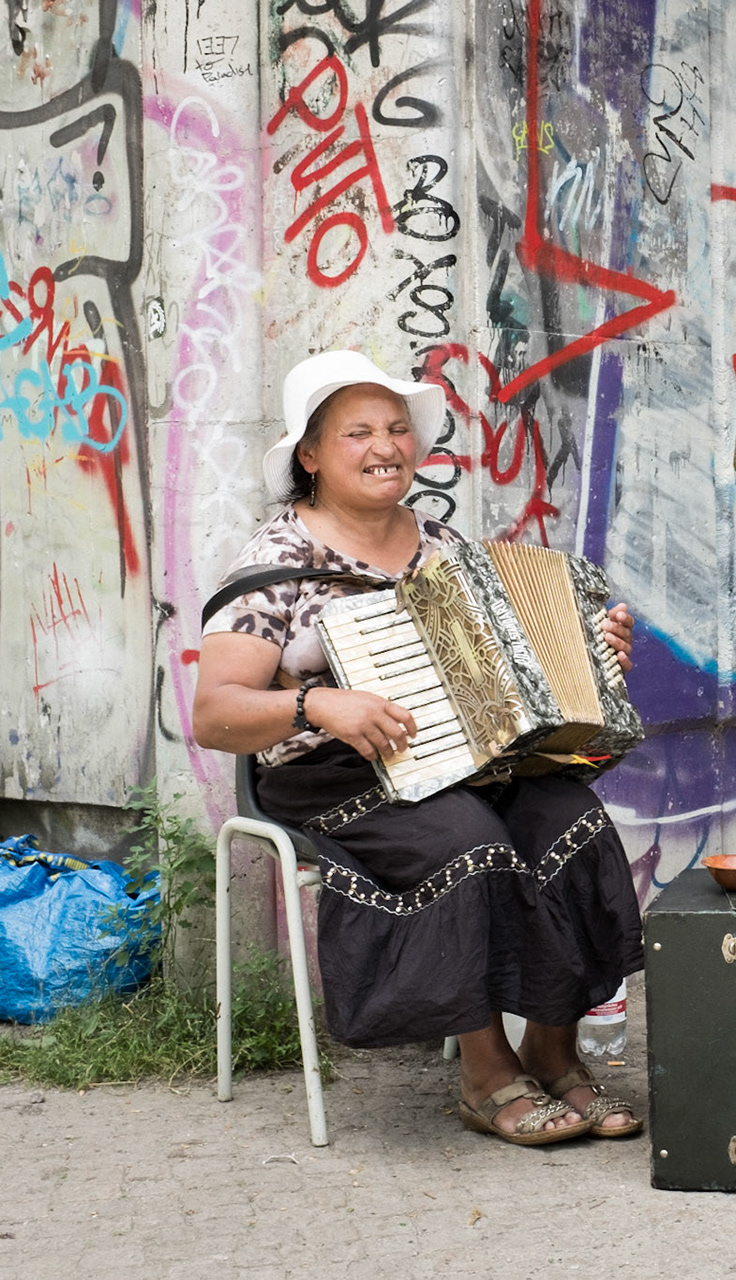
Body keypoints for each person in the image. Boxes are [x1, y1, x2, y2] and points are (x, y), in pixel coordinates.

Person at [193, 350, 648, 1146]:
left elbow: (514, 688)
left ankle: (552, 1048)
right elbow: (215, 713)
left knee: (571, 819)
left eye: (398, 428)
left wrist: (595, 654)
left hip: (462, 756)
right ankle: (484, 1072)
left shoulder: (444, 550)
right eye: (358, 431)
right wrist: (316, 702)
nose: (386, 446)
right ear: (310, 455)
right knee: (465, 839)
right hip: (330, 774)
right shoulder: (277, 565)